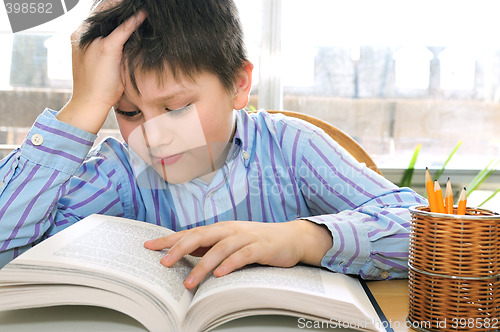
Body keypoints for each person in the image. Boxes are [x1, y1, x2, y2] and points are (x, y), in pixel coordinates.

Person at [0, 0, 425, 289]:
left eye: (178, 107)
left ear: (239, 84)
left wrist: (305, 239)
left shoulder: (293, 147)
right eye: (127, 113)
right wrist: (83, 107)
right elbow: (8, 251)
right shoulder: (120, 171)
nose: (154, 135)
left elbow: (428, 231)